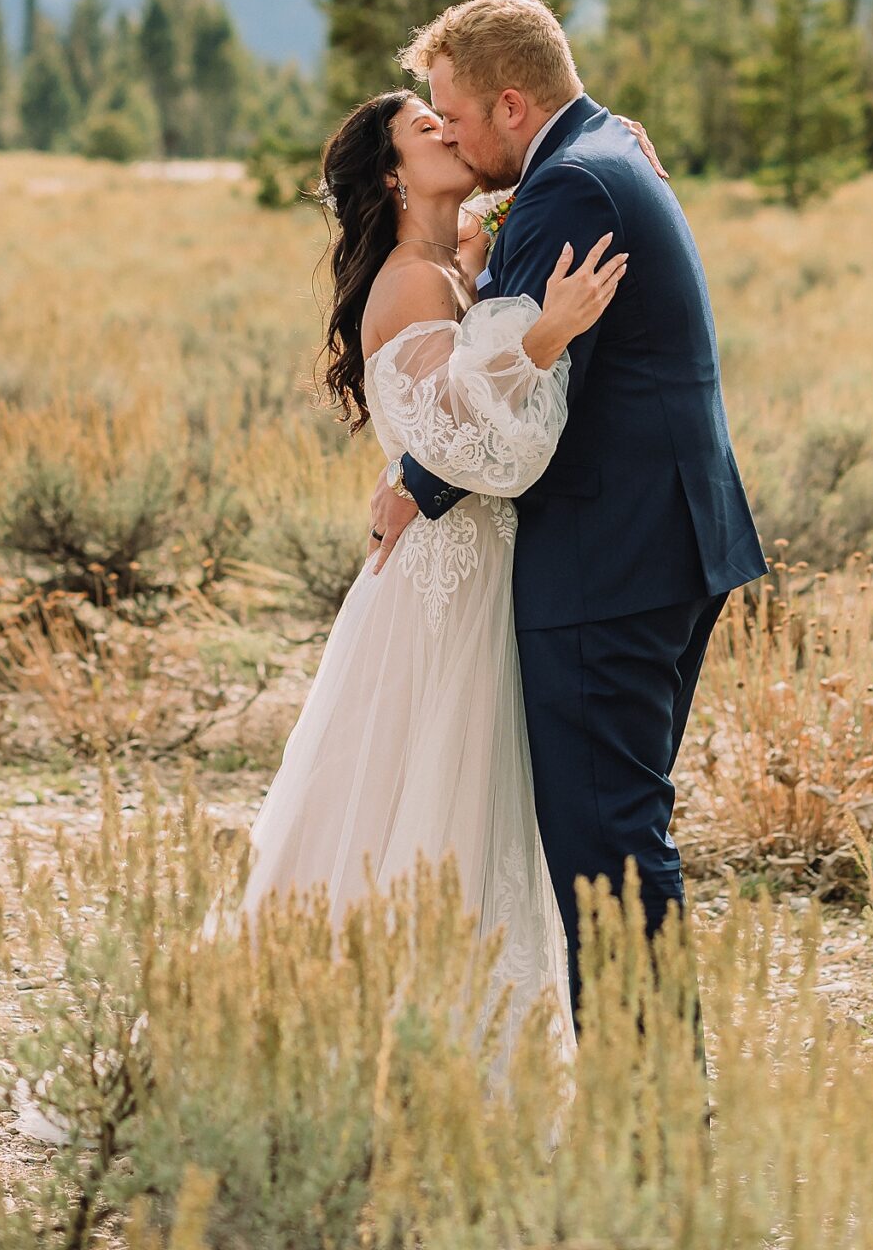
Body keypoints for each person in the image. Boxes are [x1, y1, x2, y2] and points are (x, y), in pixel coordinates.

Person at [373, 0, 765, 1017]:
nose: (448, 132)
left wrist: (418, 480)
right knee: (616, 829)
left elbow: (523, 387)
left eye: (452, 113)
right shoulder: (593, 155)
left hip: (610, 554)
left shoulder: (573, 187)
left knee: (609, 845)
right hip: (655, 541)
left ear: (511, 104)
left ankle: (651, 1120)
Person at [242, 86, 628, 1049]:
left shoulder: (453, 263)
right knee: (411, 796)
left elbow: (531, 172)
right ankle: (376, 1041)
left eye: (447, 117)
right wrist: (548, 334)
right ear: (390, 174)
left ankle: (465, 1038)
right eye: (426, 129)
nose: (450, 131)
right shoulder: (413, 281)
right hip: (436, 590)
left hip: (477, 570)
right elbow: (454, 438)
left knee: (467, 803)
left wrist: (620, 138)